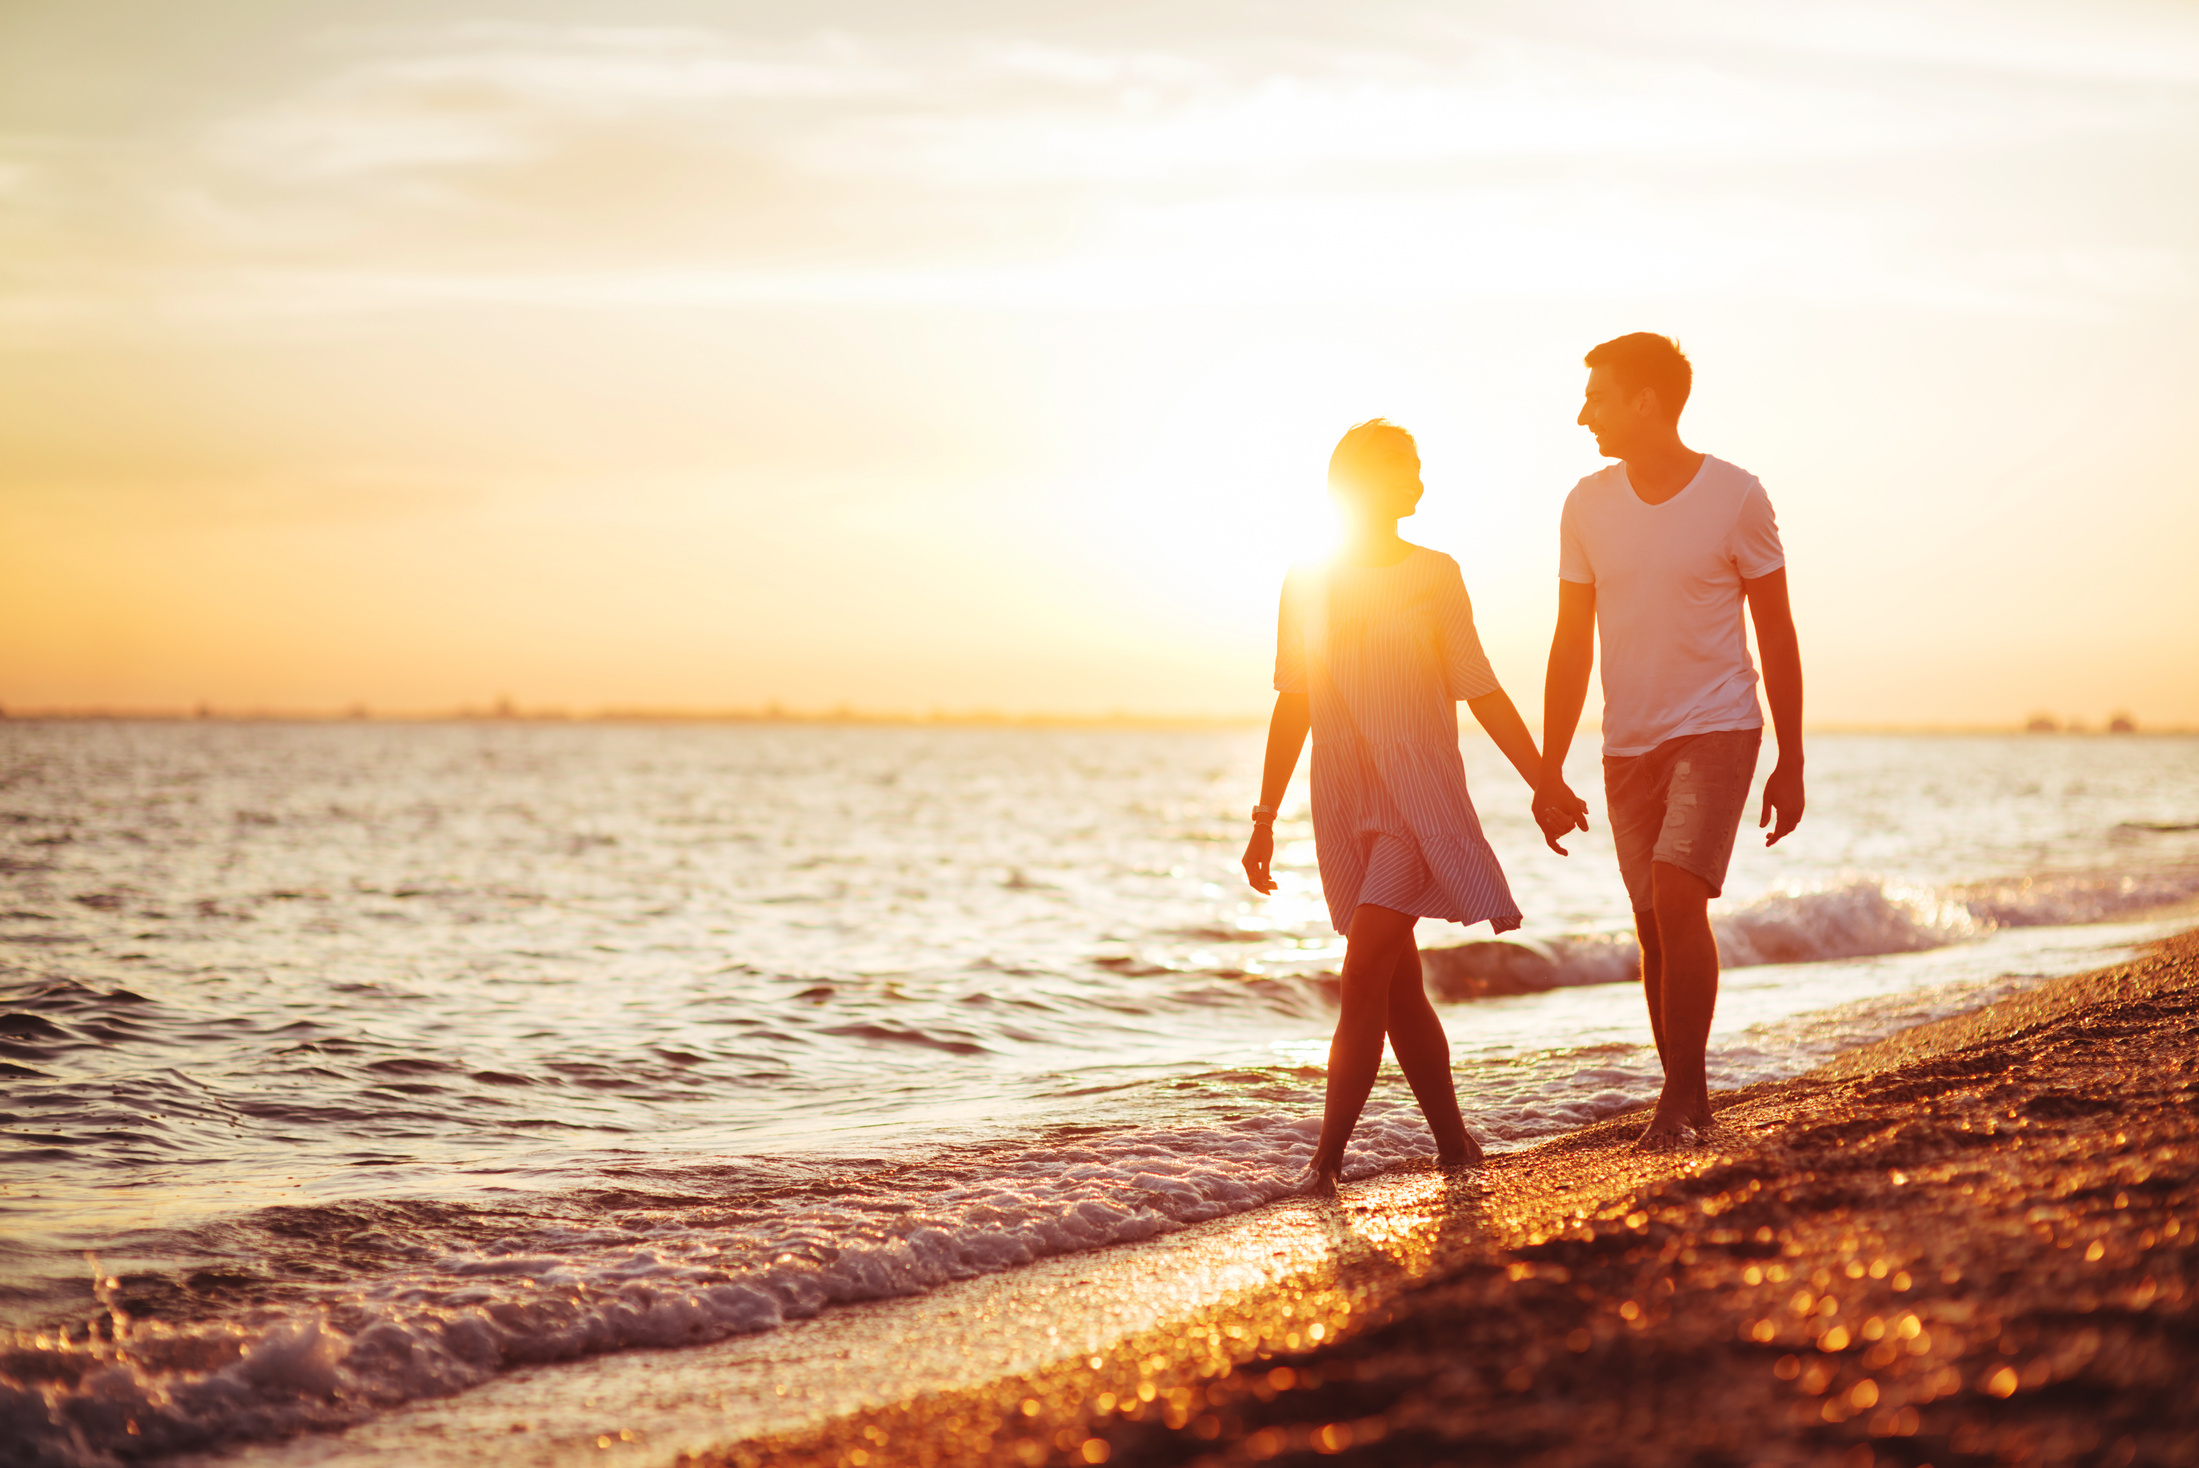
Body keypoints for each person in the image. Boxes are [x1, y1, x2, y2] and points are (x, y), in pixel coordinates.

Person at [1241, 420, 1556, 1193]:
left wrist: (1541, 778)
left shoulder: (1434, 575)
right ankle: (1455, 1146)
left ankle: (1324, 1164)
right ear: (1366, 482)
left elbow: (1479, 687)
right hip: (1345, 793)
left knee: (1363, 973)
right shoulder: (1307, 579)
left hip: (1419, 797)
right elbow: (1294, 701)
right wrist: (1262, 816)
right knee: (1397, 982)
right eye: (1407, 469)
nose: (1419, 482)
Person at [1532, 333, 1805, 1149]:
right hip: (1628, 742)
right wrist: (1547, 768)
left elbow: (1776, 631)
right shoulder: (1584, 505)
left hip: (1718, 724)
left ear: (1645, 401)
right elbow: (1569, 644)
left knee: (1678, 896)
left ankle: (1676, 1101)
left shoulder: (1735, 497)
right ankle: (1687, 1093)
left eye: (1598, 398)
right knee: (1651, 921)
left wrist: (1790, 759)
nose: (1583, 415)